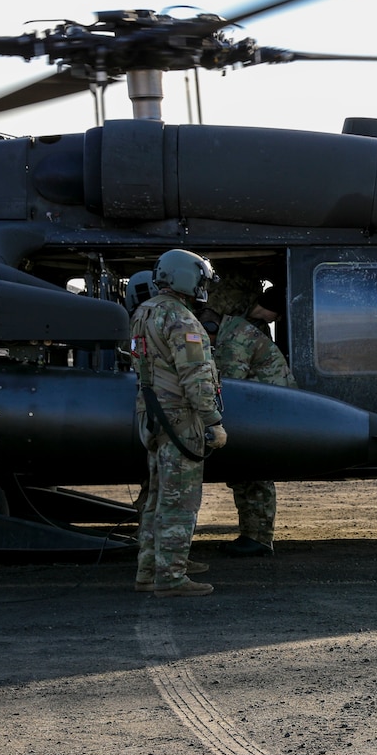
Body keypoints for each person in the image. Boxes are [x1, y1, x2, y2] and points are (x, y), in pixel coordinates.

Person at [131, 249, 226, 597]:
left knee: (157, 496)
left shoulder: (144, 312)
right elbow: (196, 376)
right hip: (180, 420)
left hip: (152, 417)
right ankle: (170, 577)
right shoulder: (182, 320)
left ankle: (149, 569)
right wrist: (212, 422)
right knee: (180, 500)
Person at [212, 284, 294, 557]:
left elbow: (230, 385)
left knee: (255, 472)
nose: (276, 321)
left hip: (268, 409)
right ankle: (253, 534)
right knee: (247, 472)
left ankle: (258, 537)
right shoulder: (240, 327)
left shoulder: (235, 335)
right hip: (263, 406)